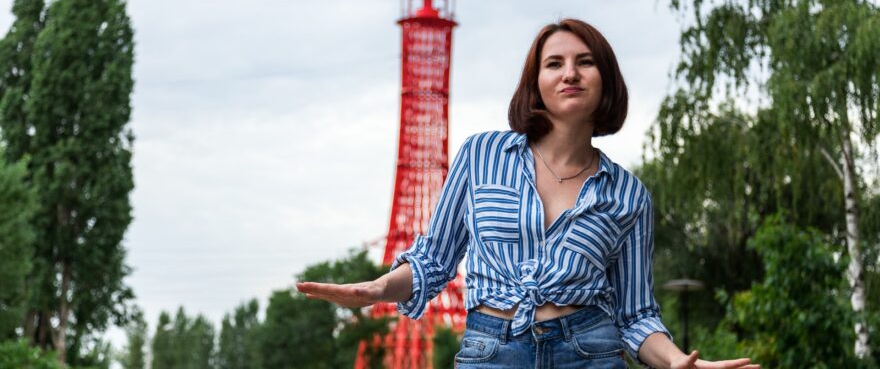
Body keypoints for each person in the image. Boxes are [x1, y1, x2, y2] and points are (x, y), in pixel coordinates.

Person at [297, 18, 759, 369]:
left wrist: (677, 360)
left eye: (585, 62)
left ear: (606, 80)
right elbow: (433, 263)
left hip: (590, 351)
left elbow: (636, 313)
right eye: (554, 64)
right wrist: (377, 288)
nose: (569, 74)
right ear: (536, 82)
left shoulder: (628, 194)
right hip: (491, 349)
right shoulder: (482, 156)